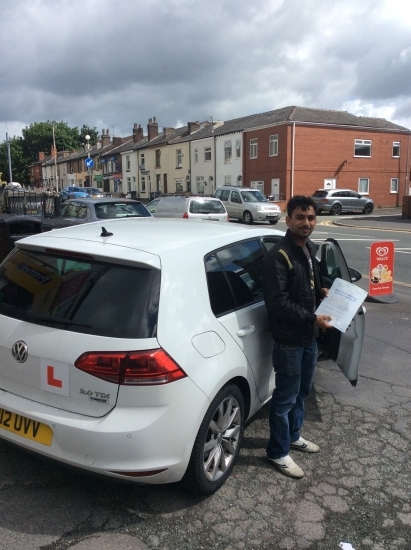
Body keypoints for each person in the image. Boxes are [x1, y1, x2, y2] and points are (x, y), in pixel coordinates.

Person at [263, 195, 332, 479]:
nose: (306, 223)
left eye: (311, 218)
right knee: (285, 398)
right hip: (290, 340)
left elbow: (305, 287)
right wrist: (311, 317)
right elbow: (277, 302)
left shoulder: (308, 250)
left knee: (302, 392)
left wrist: (322, 293)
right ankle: (277, 452)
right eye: (300, 218)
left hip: (308, 337)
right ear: (288, 220)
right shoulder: (278, 256)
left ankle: (293, 436)